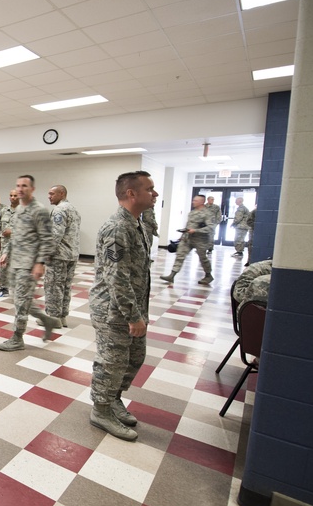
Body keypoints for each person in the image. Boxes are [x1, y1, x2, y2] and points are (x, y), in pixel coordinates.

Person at [89, 170, 158, 441]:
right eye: (150, 188)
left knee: (134, 358)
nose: (155, 193)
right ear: (131, 193)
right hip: (113, 310)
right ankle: (101, 409)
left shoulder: (135, 222)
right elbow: (116, 277)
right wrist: (133, 316)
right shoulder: (118, 227)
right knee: (112, 363)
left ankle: (114, 397)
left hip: (132, 307)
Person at [0, 176, 61, 351]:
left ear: (32, 189)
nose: (20, 189)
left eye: (24, 186)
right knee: (18, 298)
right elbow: (15, 235)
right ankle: (47, 320)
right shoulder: (18, 210)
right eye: (17, 186)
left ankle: (17, 338)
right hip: (15, 262)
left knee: (22, 302)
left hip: (29, 264)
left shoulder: (39, 210)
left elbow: (47, 239)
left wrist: (40, 263)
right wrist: (6, 253)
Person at [45, 185, 81, 328]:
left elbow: (55, 235)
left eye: (52, 193)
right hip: (72, 254)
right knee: (65, 286)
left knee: (54, 286)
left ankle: (54, 318)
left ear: (62, 193)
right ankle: (62, 316)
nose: (49, 196)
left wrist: (46, 255)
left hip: (59, 255)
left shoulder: (59, 210)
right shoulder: (73, 209)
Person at [162, 194, 215, 285]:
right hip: (188, 238)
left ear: (202, 202)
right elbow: (188, 225)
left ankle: (208, 275)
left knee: (203, 258)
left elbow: (211, 227)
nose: (193, 202)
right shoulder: (192, 212)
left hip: (201, 239)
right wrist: (183, 234)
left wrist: (196, 230)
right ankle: (172, 275)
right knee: (180, 255)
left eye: (196, 201)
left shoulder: (208, 214)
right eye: (193, 200)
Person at [0, 188, 19, 298]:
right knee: (3, 266)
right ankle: (4, 288)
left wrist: (12, 231)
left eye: (15, 196)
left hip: (18, 245)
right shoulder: (3, 211)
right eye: (11, 195)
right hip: (5, 244)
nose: (12, 198)